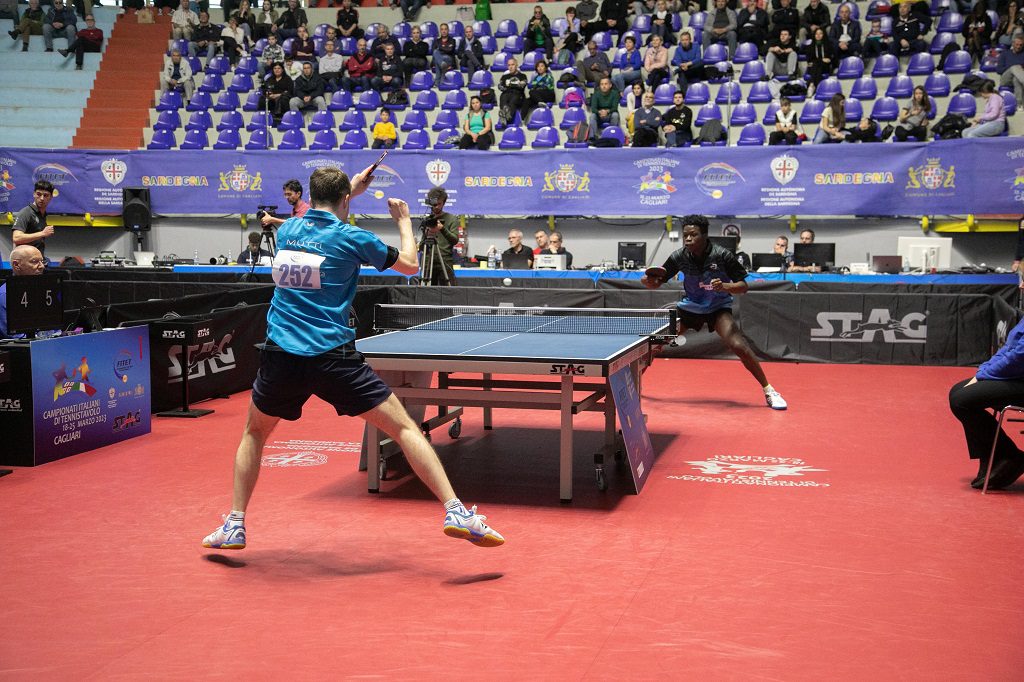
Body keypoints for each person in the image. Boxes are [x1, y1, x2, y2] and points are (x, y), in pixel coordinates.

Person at [201, 167, 504, 551]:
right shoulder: (352, 238)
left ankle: (235, 524)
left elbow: (319, 214)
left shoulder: (287, 230)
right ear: (346, 198)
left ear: (309, 195)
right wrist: (405, 222)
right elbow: (410, 265)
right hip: (333, 357)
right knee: (406, 429)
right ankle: (456, 512)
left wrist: (349, 192)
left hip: (281, 356)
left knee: (254, 433)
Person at [641, 214, 787, 410]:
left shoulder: (723, 255)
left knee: (738, 345)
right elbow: (658, 281)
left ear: (705, 236)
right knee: (654, 345)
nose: (688, 239)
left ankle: (769, 390)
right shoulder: (679, 256)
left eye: (693, 235)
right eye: (686, 235)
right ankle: (630, 387)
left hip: (717, 308)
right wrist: (648, 282)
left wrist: (725, 286)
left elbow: (743, 287)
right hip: (690, 307)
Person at [948, 317, 1024, 490]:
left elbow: (1018, 358)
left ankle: (1010, 457)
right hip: (1017, 378)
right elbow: (1008, 349)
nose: (1021, 287)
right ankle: (992, 456)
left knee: (962, 401)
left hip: (1021, 380)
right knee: (957, 392)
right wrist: (983, 371)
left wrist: (983, 376)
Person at [0, 245, 47, 340]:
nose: (41, 266)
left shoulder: (45, 291)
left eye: (42, 261)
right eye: (34, 262)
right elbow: (14, 336)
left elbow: (53, 327)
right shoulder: (5, 295)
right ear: (16, 265)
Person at [418, 187, 460, 286]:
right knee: (426, 292)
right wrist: (425, 237)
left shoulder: (451, 219)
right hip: (428, 260)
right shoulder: (428, 220)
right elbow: (421, 246)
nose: (436, 207)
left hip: (445, 260)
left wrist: (442, 229)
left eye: (439, 204)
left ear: (444, 203)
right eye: (434, 204)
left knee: (449, 292)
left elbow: (455, 240)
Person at [12, 181, 55, 258]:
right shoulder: (26, 213)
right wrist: (43, 233)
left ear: (51, 197)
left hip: (36, 260)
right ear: (34, 194)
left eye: (45, 195)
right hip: (25, 262)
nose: (42, 198)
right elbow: (16, 238)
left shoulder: (42, 214)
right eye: (39, 194)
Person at [672, 30, 703, 95]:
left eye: (686, 40)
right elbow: (678, 62)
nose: (684, 42)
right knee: (682, 73)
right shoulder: (678, 49)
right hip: (685, 71)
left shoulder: (696, 46)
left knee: (700, 62)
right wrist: (682, 65)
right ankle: (684, 95)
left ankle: (678, 70)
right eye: (683, 40)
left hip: (696, 71)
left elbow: (698, 59)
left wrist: (687, 64)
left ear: (690, 40)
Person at [498, 57, 527, 126]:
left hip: (518, 95)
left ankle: (507, 117)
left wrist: (509, 85)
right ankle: (505, 113)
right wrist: (516, 84)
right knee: (503, 96)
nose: (510, 67)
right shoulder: (504, 76)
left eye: (512, 65)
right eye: (509, 65)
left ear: (516, 65)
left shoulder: (522, 76)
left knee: (514, 97)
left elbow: (522, 85)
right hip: (506, 94)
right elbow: (500, 87)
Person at [999, 36, 1024, 105]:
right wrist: (1012, 67)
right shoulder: (1005, 53)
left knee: (1016, 79)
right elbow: (999, 70)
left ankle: (1020, 104)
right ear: (1013, 44)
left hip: (1019, 77)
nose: (1018, 47)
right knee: (1014, 67)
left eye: (1021, 45)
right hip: (1005, 79)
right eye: (1017, 44)